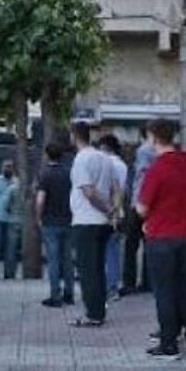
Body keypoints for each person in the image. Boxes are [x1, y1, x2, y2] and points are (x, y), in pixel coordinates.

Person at [135, 118, 186, 360]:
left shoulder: (157, 169)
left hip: (162, 237)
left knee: (164, 290)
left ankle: (169, 344)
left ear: (153, 137)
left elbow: (142, 208)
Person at [67, 122, 115, 327]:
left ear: (74, 136)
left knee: (87, 270)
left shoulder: (81, 159)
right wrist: (111, 210)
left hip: (86, 220)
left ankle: (92, 314)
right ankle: (99, 308)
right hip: (102, 223)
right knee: (98, 268)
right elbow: (113, 187)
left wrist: (105, 208)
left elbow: (88, 191)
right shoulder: (105, 158)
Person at [36, 142, 74, 307]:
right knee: (67, 259)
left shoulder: (45, 175)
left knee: (53, 260)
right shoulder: (69, 174)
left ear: (47, 155)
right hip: (68, 220)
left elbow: (40, 200)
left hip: (50, 222)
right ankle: (69, 293)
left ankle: (55, 295)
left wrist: (38, 217)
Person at [120, 125, 156, 295]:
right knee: (149, 243)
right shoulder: (159, 151)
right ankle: (148, 281)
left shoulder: (144, 150)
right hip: (154, 204)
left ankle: (129, 282)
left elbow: (142, 175)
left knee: (131, 244)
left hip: (140, 203)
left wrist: (138, 201)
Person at [97, 134, 128, 301]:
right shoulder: (123, 165)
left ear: (105, 147)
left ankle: (105, 287)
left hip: (105, 212)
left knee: (103, 252)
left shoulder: (105, 164)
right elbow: (122, 191)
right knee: (114, 253)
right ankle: (114, 287)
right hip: (119, 211)